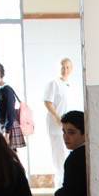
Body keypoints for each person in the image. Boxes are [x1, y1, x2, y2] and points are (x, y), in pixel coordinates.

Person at [43, 58, 74, 186]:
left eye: (67, 67)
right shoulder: (53, 83)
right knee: (59, 154)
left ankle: (65, 182)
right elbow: (47, 102)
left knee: (66, 153)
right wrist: (57, 117)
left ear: (71, 69)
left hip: (66, 126)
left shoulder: (69, 85)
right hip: (56, 126)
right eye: (63, 67)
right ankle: (60, 184)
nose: (65, 70)